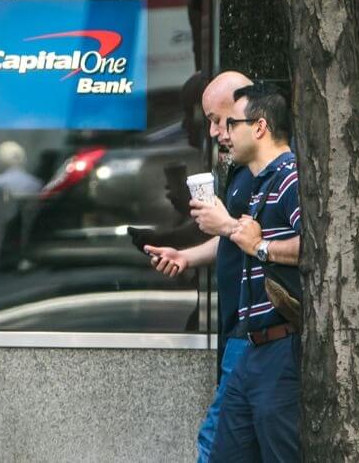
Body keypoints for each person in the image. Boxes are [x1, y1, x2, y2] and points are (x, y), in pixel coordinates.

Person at [140, 70, 254, 463]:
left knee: (217, 439)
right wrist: (186, 255)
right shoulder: (240, 170)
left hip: (255, 329)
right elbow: (231, 238)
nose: (214, 132)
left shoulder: (276, 173)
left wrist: (226, 226)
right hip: (239, 325)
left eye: (218, 120)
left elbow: (270, 242)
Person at [209, 83, 302, 462]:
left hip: (281, 346)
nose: (224, 134)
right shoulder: (262, 182)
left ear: (260, 127)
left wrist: (260, 247)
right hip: (251, 347)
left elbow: (321, 247)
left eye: (233, 123)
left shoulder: (292, 176)